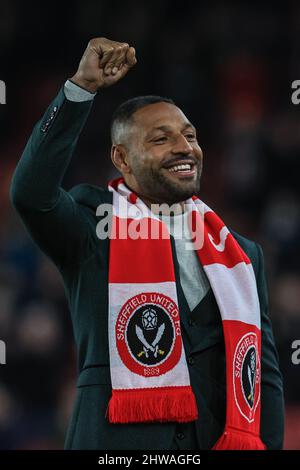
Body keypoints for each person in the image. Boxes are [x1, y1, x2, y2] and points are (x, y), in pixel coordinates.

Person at [10, 37, 284, 450]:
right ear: (122, 159)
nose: (183, 147)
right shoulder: (92, 226)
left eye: (189, 135)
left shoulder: (243, 255)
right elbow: (30, 193)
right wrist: (79, 89)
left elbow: (264, 377)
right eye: (160, 139)